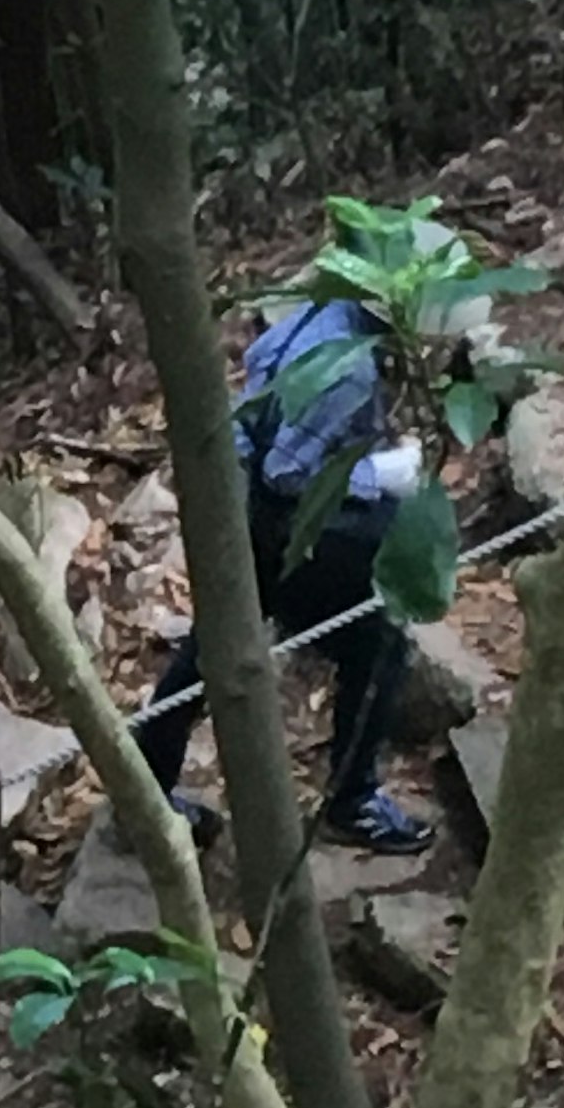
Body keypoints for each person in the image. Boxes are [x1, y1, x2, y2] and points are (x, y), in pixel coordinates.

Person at [137, 287, 436, 855]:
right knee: (377, 644)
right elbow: (289, 472)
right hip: (290, 525)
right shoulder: (347, 371)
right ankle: (354, 801)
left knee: (214, 644)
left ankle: (147, 784)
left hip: (244, 507)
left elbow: (256, 390)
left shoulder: (316, 314)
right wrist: (381, 473)